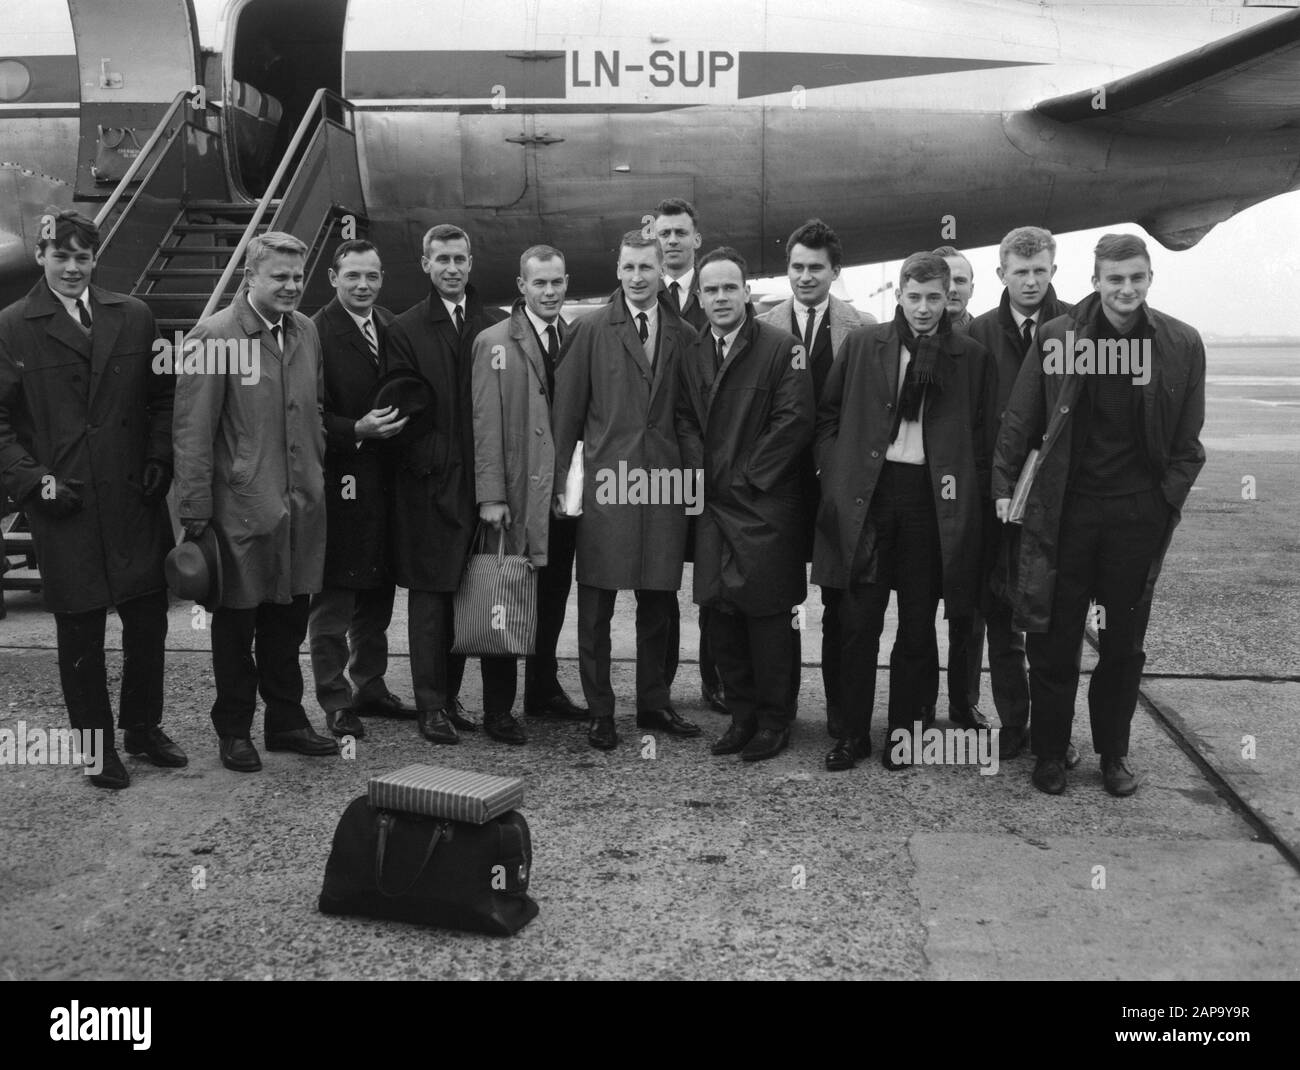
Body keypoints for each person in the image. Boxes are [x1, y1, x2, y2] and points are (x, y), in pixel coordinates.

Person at [993, 233, 1205, 797]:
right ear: (1095, 282)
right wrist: (1003, 487)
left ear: (1150, 279)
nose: (1126, 289)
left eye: (1136, 278)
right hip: (1066, 515)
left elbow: (1188, 443)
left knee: (1123, 645)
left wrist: (1164, 503)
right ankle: (1050, 753)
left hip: (1136, 518)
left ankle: (1113, 754)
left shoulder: (1180, 343)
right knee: (1054, 640)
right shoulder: (1058, 338)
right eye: (1115, 279)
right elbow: (1020, 419)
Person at [0, 210, 184, 789]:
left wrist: (160, 460)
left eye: (83, 257)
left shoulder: (133, 315)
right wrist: (33, 483)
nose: (73, 267)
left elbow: (162, 397)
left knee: (148, 619)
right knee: (80, 631)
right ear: (42, 256)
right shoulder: (11, 326)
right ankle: (96, 747)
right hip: (65, 503)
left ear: (94, 258)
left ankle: (143, 728)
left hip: (132, 499)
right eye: (62, 256)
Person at [813, 252, 995, 771]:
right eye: (913, 297)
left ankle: (904, 733)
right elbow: (827, 416)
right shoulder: (865, 344)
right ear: (898, 295)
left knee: (917, 626)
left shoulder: (970, 357)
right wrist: (834, 473)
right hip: (868, 496)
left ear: (949, 298)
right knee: (858, 621)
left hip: (930, 501)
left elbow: (980, 441)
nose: (922, 308)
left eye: (933, 298)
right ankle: (851, 734)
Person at [174, 231, 337, 772]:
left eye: (297, 277)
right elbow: (192, 433)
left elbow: (311, 410)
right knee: (236, 625)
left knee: (289, 623)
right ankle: (234, 730)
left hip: (299, 506)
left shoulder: (306, 330)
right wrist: (195, 513)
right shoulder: (214, 335)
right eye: (280, 277)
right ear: (251, 277)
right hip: (240, 509)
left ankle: (287, 721)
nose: (291, 286)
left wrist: (313, 470)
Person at [551, 230, 700, 750]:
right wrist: (556, 487)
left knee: (659, 603)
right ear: (618, 269)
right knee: (596, 609)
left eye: (647, 268)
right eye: (630, 267)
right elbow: (565, 416)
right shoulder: (590, 330)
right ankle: (601, 711)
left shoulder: (683, 333)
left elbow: (687, 417)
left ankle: (654, 704)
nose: (638, 277)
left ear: (663, 272)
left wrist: (691, 483)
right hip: (606, 489)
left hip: (663, 486)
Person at [678, 247, 814, 762]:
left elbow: (794, 421)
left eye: (729, 288)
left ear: (746, 293)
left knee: (769, 618)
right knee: (722, 616)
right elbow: (684, 419)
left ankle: (775, 721)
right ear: (699, 296)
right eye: (710, 289)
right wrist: (705, 476)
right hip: (714, 504)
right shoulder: (691, 351)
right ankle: (741, 716)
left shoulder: (782, 347)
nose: (719, 297)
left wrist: (747, 478)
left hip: (763, 506)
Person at [385, 224, 508, 745]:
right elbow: (399, 404)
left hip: (488, 482)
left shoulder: (498, 324)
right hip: (432, 485)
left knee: (481, 594)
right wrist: (433, 462)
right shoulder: (407, 328)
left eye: (460, 258)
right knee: (432, 600)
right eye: (442, 260)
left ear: (472, 262)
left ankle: (457, 701)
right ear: (425, 264)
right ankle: (431, 705)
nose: (452, 268)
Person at [757, 218, 876, 740]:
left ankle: (839, 712)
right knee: (779, 602)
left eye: (815, 268)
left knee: (839, 605)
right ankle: (776, 711)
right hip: (779, 487)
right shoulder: (762, 325)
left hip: (839, 487)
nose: (804, 277)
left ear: (835, 271)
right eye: (796, 267)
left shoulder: (864, 326)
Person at [470, 245, 587, 742]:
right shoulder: (493, 342)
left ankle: (542, 690)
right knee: (504, 596)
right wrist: (491, 494)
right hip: (516, 497)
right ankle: (498, 710)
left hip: (561, 499)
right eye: (539, 283)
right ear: (521, 287)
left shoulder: (574, 336)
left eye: (557, 282)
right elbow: (484, 423)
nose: (550, 291)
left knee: (553, 596)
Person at [967, 226, 1072, 759]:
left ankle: (1055, 733)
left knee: (1054, 621)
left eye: (1039, 271)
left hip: (1059, 500)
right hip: (998, 499)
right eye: (1019, 271)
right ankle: (1014, 725)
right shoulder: (979, 334)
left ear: (1054, 270)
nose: (1030, 281)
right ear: (1001, 274)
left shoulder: (1080, 329)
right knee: (1002, 618)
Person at [307, 239, 417, 740]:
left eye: (371, 276)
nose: (363, 285)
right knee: (337, 599)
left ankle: (369, 684)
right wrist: (355, 429)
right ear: (333, 277)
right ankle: (334, 699)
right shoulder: (314, 332)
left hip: (386, 483)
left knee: (377, 593)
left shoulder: (391, 324)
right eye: (352, 276)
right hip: (342, 481)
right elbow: (305, 413)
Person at [651, 197, 719, 714]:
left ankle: (715, 681)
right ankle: (662, 686)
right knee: (662, 582)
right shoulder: (641, 292)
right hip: (658, 467)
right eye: (664, 233)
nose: (671, 241)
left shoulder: (715, 294)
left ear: (696, 239)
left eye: (681, 233)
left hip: (708, 461)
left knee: (713, 578)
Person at [932, 245, 975, 331]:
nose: (952, 289)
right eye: (943, 281)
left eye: (960, 280)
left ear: (971, 289)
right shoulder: (901, 341)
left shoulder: (989, 340)